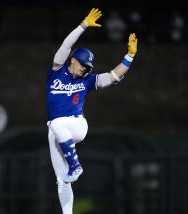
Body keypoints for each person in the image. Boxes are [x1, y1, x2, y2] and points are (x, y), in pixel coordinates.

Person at [46, 8, 137, 214]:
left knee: (57, 124)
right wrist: (83, 25)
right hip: (57, 131)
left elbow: (113, 76)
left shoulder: (87, 80)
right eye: (83, 64)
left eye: (88, 66)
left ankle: (76, 165)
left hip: (77, 125)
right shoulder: (56, 71)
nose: (85, 68)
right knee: (61, 180)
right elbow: (66, 45)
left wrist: (129, 56)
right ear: (73, 59)